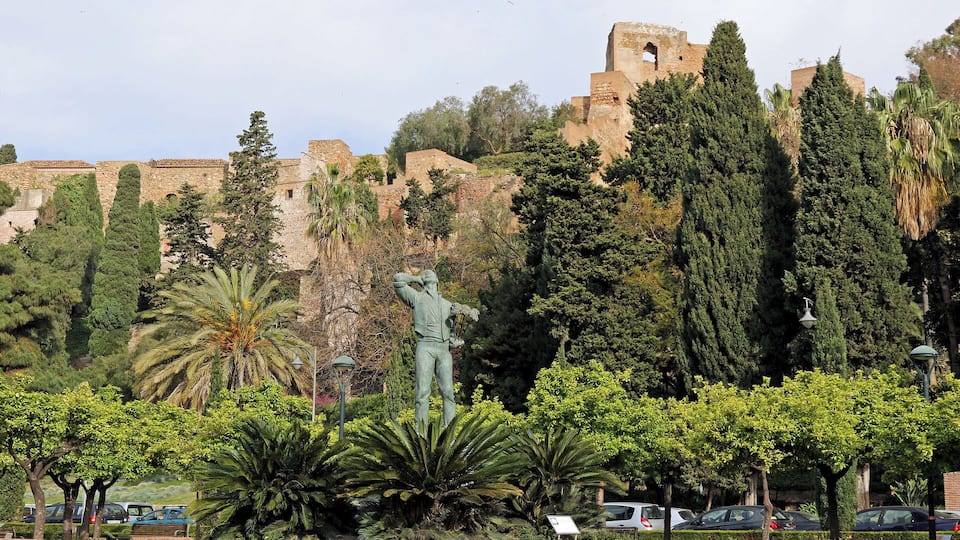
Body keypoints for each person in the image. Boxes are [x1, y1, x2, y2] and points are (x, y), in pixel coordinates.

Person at [393, 270, 478, 427]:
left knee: (448, 393)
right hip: (425, 346)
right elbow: (398, 280)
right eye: (426, 274)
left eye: (431, 274)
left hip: (443, 350)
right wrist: (416, 279)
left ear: (437, 279)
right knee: (422, 393)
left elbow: (451, 335)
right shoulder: (416, 298)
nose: (429, 274)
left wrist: (455, 342)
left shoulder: (448, 305)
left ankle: (450, 434)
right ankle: (421, 433)